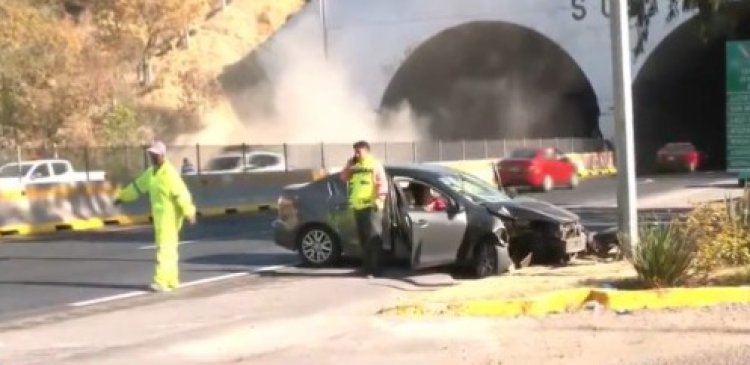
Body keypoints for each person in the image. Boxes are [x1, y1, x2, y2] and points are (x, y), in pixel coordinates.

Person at [114, 141, 197, 292]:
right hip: (160, 217)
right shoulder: (151, 173)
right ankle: (172, 280)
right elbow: (138, 186)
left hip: (169, 217)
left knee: (164, 249)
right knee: (170, 249)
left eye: (155, 155)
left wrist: (189, 212)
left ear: (163, 155)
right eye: (151, 154)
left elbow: (182, 194)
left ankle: (161, 282)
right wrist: (123, 196)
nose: (153, 157)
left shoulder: (169, 174)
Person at [340, 140, 388, 278]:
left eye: (358, 151)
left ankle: (375, 269)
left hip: (372, 206)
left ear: (366, 151)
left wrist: (379, 199)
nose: (356, 153)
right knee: (363, 239)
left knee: (373, 239)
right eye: (354, 150)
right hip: (358, 206)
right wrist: (349, 166)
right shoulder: (354, 165)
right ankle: (366, 268)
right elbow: (343, 177)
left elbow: (382, 183)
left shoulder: (374, 164)